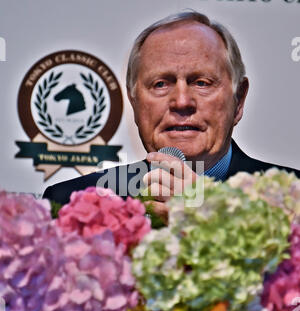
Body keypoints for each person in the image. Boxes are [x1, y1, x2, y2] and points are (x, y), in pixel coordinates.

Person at [43, 11, 300, 221]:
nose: (182, 102)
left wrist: (207, 218)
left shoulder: (293, 201)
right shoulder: (69, 205)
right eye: (160, 84)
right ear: (134, 102)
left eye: (202, 82)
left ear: (239, 100)